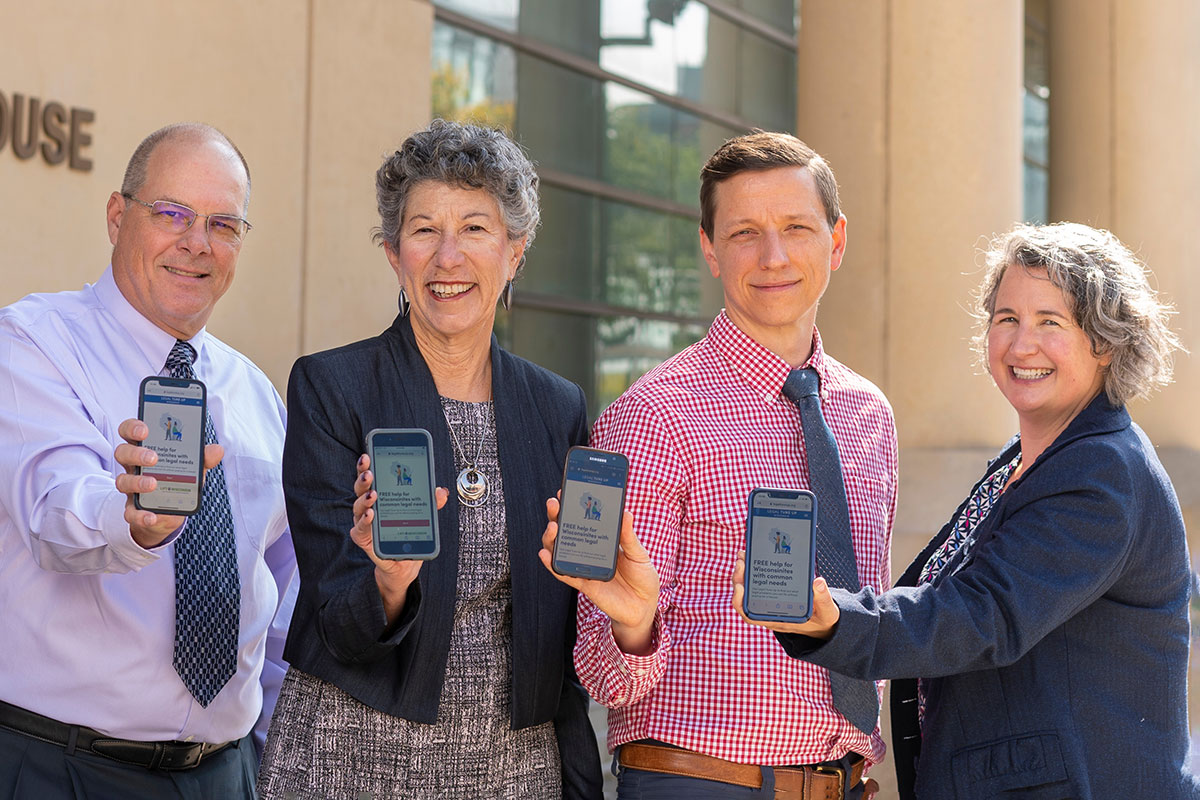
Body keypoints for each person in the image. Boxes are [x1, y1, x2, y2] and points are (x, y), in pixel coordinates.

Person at [735, 222, 1198, 799]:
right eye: (1007, 319)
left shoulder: (1102, 472)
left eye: (1050, 322)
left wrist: (836, 620)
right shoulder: (1026, 460)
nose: (1021, 344)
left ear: (1105, 342)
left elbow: (985, 615)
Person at [540, 131, 896, 799]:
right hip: (702, 783)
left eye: (796, 227)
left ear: (837, 242)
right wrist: (634, 623)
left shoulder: (868, 414)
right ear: (709, 248)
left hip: (843, 785)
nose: (774, 255)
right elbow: (603, 675)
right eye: (743, 233)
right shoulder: (652, 417)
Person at [257, 119, 602, 799]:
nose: (448, 257)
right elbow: (336, 623)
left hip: (513, 768)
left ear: (515, 252)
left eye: (475, 228)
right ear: (394, 254)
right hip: (350, 755)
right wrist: (388, 581)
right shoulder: (333, 388)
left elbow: (565, 627)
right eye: (424, 230)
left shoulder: (556, 406)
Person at [0, 123, 296, 798]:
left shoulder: (254, 393)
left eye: (223, 224)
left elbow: (281, 594)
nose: (197, 242)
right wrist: (133, 521)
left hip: (227, 774)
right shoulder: (32, 343)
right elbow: (55, 511)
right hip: (62, 769)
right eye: (171, 214)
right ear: (116, 216)